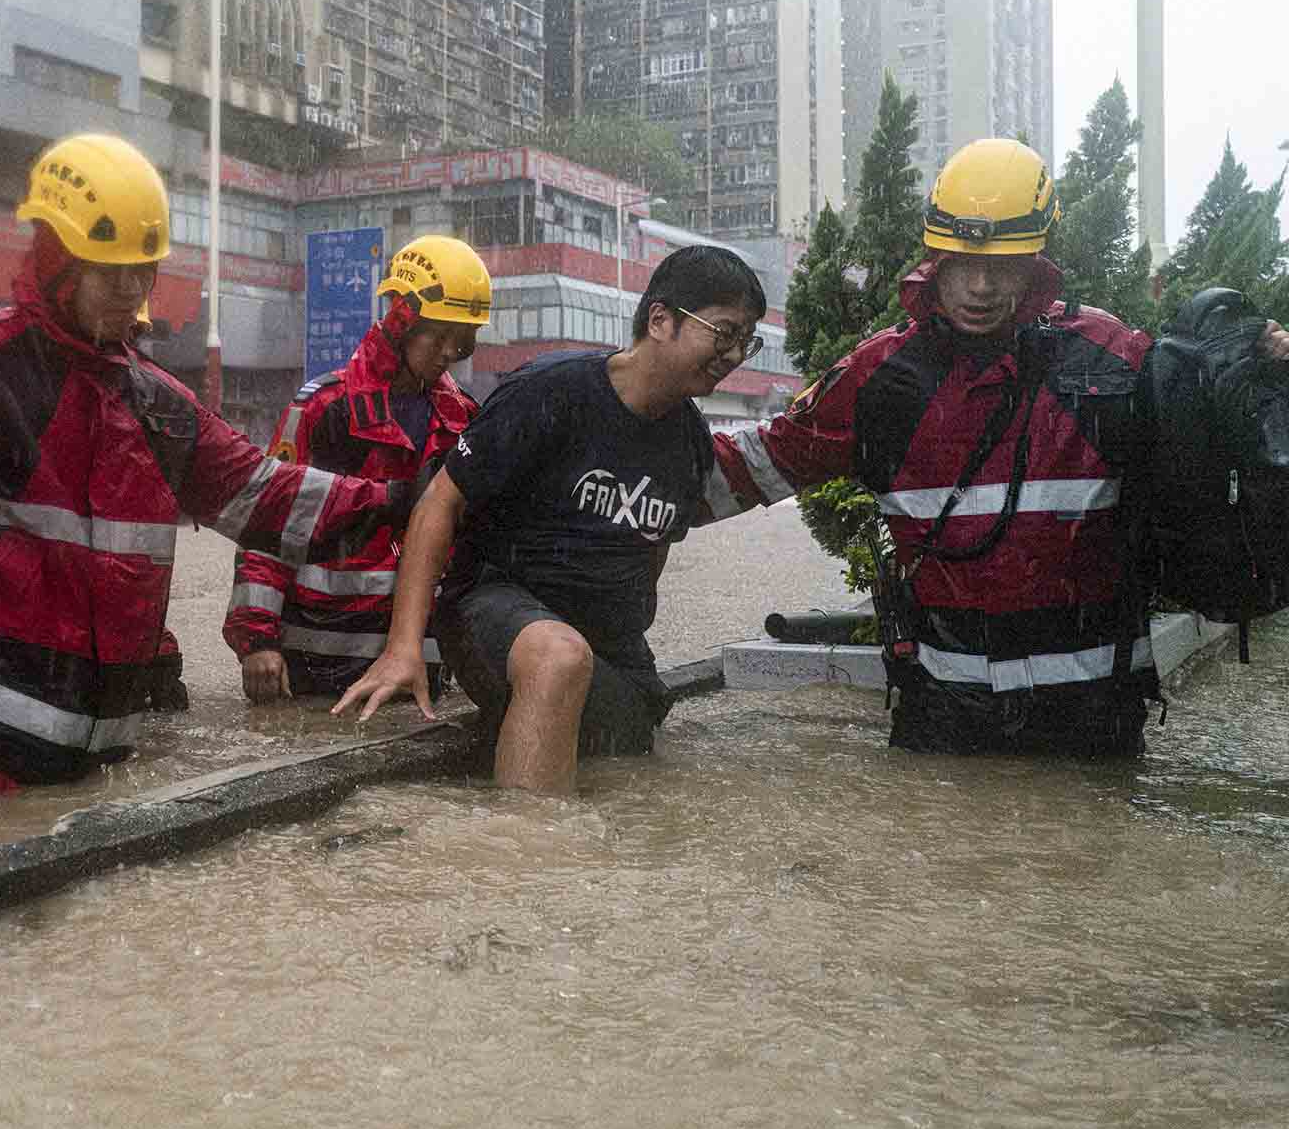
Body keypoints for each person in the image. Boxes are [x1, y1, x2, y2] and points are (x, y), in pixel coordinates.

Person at [0, 133, 412, 802]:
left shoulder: (158, 404)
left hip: (93, 771)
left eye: (142, 272)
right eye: (109, 270)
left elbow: (263, 497)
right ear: (57, 256)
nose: (131, 290)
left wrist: (405, 499)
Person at [702, 137, 1289, 758]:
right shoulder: (880, 378)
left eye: (1002, 265)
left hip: (1094, 726)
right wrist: (620, 464)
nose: (979, 286)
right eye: (961, 261)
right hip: (945, 723)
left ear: (1037, 263)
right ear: (935, 259)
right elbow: (755, 465)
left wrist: (1263, 366)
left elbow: (1206, 453)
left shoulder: (1111, 356)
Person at [335, 245, 770, 793]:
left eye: (745, 341)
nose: (733, 354)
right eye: (723, 332)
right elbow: (439, 502)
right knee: (559, 659)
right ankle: (530, 860)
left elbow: (651, 554)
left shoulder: (689, 443)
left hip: (610, 649)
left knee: (628, 757)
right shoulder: (552, 390)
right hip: (495, 609)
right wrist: (404, 649)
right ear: (661, 320)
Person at [225, 236, 489, 704]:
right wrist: (258, 642)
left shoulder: (463, 417)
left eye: (463, 339)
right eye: (440, 333)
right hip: (315, 663)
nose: (451, 351)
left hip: (420, 665)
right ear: (402, 317)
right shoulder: (324, 407)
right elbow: (270, 519)